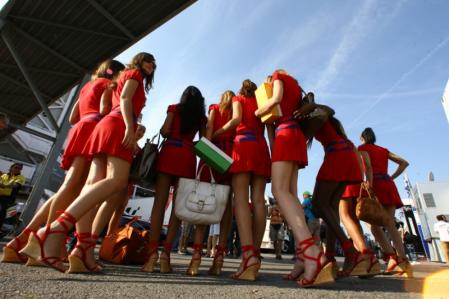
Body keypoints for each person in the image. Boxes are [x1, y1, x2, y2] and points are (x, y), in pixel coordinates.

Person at [20, 52, 155, 273]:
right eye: (148, 60)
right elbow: (125, 100)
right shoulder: (134, 75)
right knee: (117, 181)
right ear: (139, 61)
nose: (152, 65)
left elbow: (90, 112)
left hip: (103, 125)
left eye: (153, 63)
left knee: (91, 185)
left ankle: (82, 248)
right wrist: (131, 127)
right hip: (116, 125)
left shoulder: (111, 82)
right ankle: (55, 229)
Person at [2, 60, 125, 266]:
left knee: (70, 187)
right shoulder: (109, 86)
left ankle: (25, 239)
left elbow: (72, 117)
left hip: (81, 128)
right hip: (95, 128)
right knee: (82, 189)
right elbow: (106, 111)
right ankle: (46, 241)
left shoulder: (87, 87)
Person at [256, 70, 333, 287]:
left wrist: (257, 110)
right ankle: (301, 257)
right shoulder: (296, 86)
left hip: (286, 133)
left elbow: (276, 99)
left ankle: (311, 253)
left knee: (278, 191)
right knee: (290, 194)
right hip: (294, 135)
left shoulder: (278, 76)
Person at [142, 86, 206, 274]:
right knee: (177, 209)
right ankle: (166, 256)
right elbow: (203, 142)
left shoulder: (174, 108)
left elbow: (164, 131)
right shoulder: (202, 118)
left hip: (169, 153)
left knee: (159, 205)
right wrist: (189, 143)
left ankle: (152, 254)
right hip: (186, 158)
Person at [218, 79, 271, 281]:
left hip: (243, 144)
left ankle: (247, 254)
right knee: (258, 200)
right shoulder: (261, 102)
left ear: (241, 90)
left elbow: (236, 119)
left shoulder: (238, 99)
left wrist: (219, 131)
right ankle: (255, 254)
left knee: (240, 199)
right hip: (261, 147)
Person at [186, 90, 236, 276]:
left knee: (203, 203)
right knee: (227, 205)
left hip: (213, 153)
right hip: (231, 156)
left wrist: (205, 156)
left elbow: (207, 134)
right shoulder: (237, 112)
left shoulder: (215, 108)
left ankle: (197, 256)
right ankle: (220, 256)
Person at [358, 127, 413, 277]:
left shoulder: (362, 148)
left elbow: (368, 166)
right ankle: (402, 260)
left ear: (362, 138)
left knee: (373, 225)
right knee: (390, 224)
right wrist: (391, 177)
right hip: (388, 183)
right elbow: (404, 163)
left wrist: (369, 184)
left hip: (374, 184)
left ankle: (392, 258)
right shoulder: (383, 150)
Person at [0, 163, 26, 230]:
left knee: (2, 210)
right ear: (11, 167)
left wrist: (5, 186)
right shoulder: (4, 175)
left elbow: (16, 185)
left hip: (8, 198)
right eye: (16, 167)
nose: (17, 169)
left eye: (19, 168)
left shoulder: (21, 177)